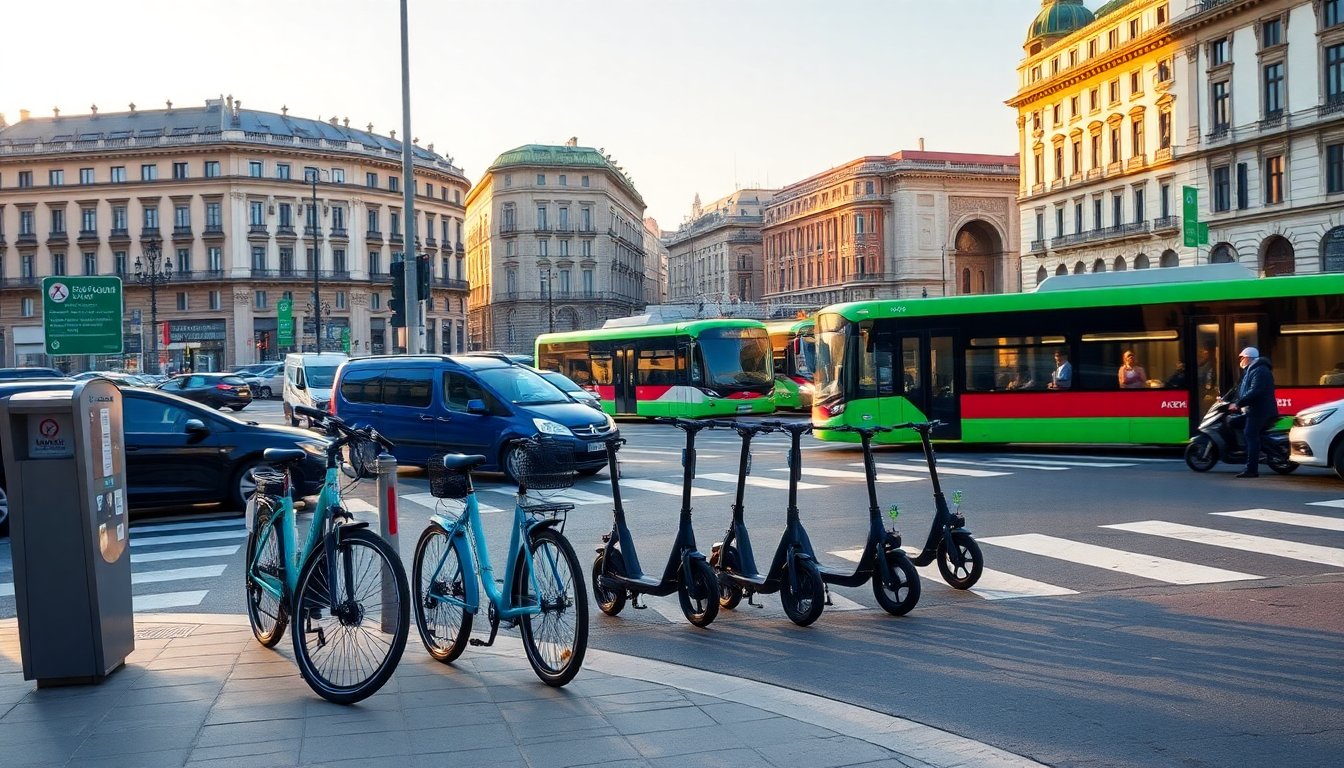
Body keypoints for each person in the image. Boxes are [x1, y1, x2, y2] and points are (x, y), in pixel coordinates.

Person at [1229, 346, 1278, 478]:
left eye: (1242, 357)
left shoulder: (1260, 370)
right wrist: (1232, 400)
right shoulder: (1251, 370)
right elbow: (1242, 389)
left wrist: (1238, 404)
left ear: (1248, 358)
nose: (1241, 360)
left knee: (1250, 434)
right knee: (1236, 423)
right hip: (1254, 409)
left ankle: (1252, 469)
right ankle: (1260, 450)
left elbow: (1255, 391)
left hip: (1260, 410)